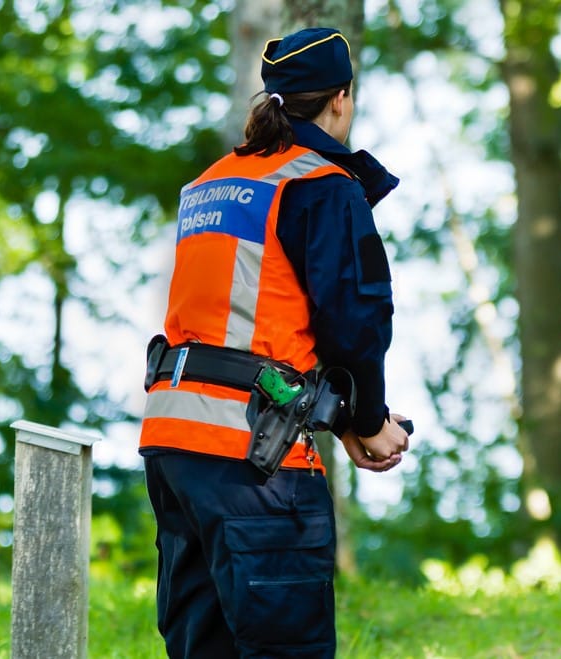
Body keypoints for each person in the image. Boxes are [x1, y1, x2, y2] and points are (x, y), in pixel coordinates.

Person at [139, 27, 411, 658]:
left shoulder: (211, 184)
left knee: (203, 647)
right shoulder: (320, 184)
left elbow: (252, 328)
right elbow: (354, 320)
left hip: (176, 445)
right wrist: (368, 418)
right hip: (255, 459)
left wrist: (340, 421)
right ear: (340, 99)